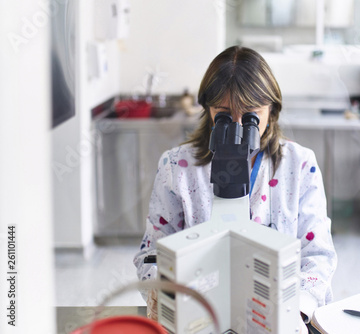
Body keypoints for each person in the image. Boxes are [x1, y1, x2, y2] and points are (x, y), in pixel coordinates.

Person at [133, 46, 337, 332]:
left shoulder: (300, 165)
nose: (238, 125)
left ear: (272, 109)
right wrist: (165, 295)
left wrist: (296, 311)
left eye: (251, 115)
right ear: (208, 109)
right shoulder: (176, 166)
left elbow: (318, 256)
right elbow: (151, 253)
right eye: (225, 114)